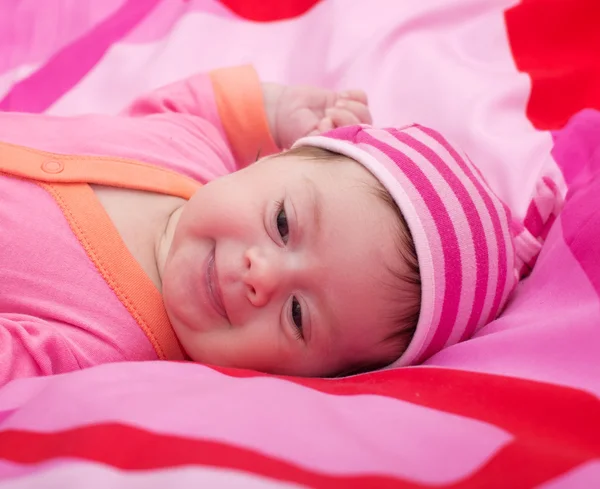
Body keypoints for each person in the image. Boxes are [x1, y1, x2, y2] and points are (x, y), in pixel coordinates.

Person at [0, 65, 550, 385]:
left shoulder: (106, 354)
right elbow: (192, 104)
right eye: (283, 222)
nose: (260, 275)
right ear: (272, 159)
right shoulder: (194, 150)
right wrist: (281, 107)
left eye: (297, 315)